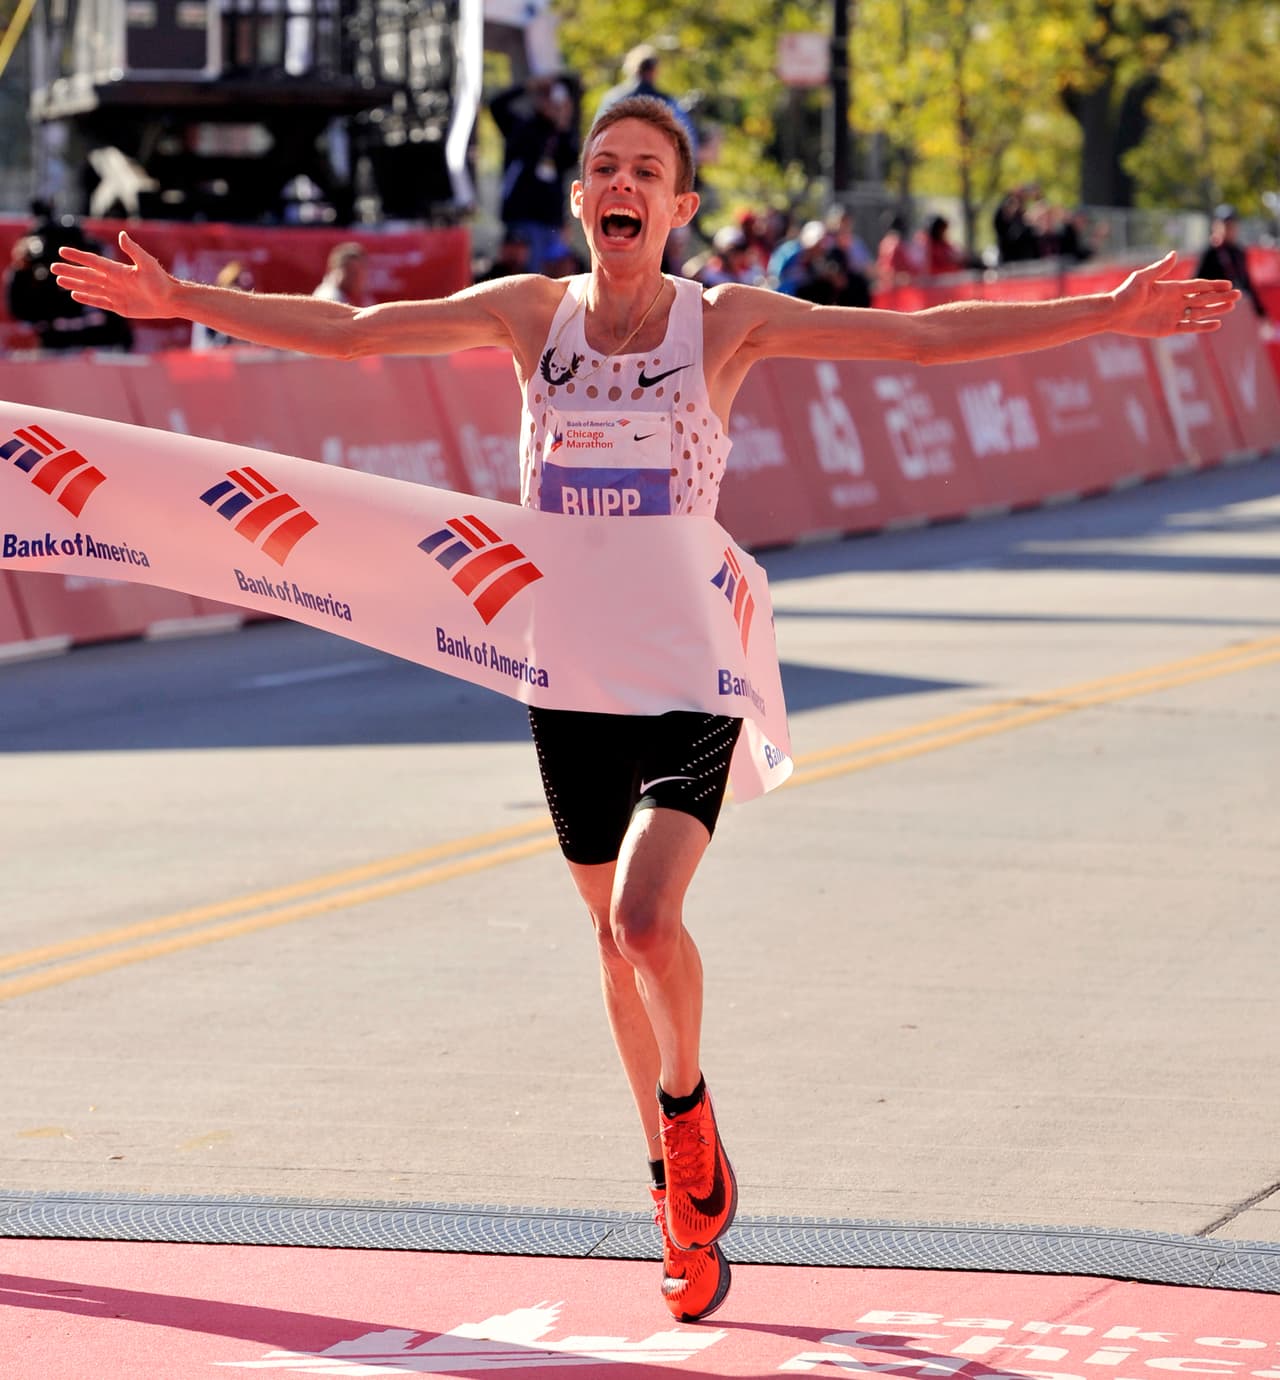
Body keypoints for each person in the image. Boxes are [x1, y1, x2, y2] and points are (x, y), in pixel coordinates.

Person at [51, 95, 1240, 1325]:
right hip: (565, 670)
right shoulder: (531, 314)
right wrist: (189, 301)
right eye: (601, 168)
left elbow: (919, 343)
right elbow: (354, 332)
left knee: (642, 920)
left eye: (647, 173)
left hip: (691, 663)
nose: (620, 186)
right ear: (579, 199)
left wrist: (1108, 311)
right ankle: (676, 1199)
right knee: (610, 946)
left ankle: (685, 1111)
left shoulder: (724, 324)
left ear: (677, 208)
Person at [490, 76, 581, 276]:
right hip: (522, 218)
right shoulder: (519, 126)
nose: (549, 103)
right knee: (528, 279)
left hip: (552, 221)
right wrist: (527, 86)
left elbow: (572, 159)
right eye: (545, 97)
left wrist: (565, 118)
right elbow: (496, 104)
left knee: (557, 280)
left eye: (553, 98)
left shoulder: (561, 134)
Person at [1196, 205, 1267, 319]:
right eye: (1225, 225)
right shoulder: (1210, 253)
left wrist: (1261, 313)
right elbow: (1197, 283)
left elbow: (1247, 283)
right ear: (1216, 226)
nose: (1229, 229)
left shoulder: (1239, 253)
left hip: (1238, 311)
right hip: (1217, 313)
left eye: (1232, 225)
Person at [312, 242, 367, 306]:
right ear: (334, 271)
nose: (357, 277)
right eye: (351, 272)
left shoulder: (364, 297)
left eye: (361, 271)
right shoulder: (328, 297)